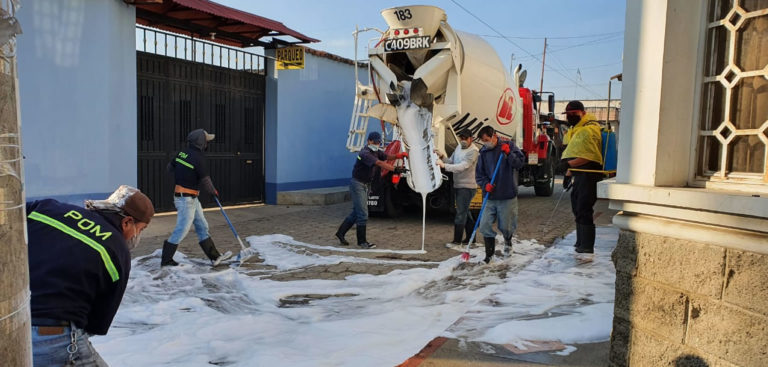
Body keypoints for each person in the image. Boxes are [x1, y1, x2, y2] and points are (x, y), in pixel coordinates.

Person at [27, 185, 154, 366]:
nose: (137, 236)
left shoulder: (48, 208)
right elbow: (96, 324)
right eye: (140, 230)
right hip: (52, 340)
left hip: (9, 320)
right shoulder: (117, 252)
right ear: (127, 222)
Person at [161, 129, 231, 267]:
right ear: (201, 142)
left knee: (202, 226)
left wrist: (184, 174)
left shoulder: (181, 153)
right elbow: (205, 180)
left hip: (190, 198)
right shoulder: (199, 158)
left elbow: (170, 168)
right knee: (182, 229)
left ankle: (214, 257)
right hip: (186, 199)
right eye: (206, 141)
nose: (207, 143)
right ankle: (166, 260)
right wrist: (213, 192)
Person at [335, 131, 407, 249]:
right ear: (369, 141)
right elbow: (379, 162)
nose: (377, 144)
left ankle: (340, 233)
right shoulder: (365, 153)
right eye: (375, 142)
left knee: (356, 212)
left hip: (366, 185)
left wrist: (398, 156)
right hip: (358, 184)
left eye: (379, 142)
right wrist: (395, 169)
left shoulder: (376, 151)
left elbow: (386, 156)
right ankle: (362, 241)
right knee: (363, 213)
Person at [557, 101, 603, 254]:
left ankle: (587, 246)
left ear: (582, 113)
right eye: (568, 114)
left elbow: (588, 156)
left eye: (573, 114)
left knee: (584, 207)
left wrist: (568, 165)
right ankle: (580, 241)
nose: (570, 117)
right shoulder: (574, 130)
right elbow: (574, 153)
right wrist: (568, 175)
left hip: (590, 174)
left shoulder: (589, 130)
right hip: (579, 174)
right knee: (576, 206)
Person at [475, 126, 525, 263]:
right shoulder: (483, 153)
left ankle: (508, 241)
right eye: (483, 141)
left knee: (506, 226)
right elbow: (479, 174)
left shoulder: (509, 146)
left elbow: (520, 164)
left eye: (487, 140)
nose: (486, 143)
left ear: (494, 136)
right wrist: (485, 184)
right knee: (484, 224)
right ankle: (489, 256)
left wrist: (509, 154)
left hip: (507, 194)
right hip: (490, 196)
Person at [436, 129, 479, 247]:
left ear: (471, 138)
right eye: (462, 138)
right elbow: (452, 161)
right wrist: (442, 156)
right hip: (458, 184)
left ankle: (457, 240)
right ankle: (471, 238)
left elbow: (463, 166)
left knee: (461, 213)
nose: (463, 141)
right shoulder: (459, 148)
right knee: (465, 212)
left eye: (466, 138)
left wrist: (444, 166)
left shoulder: (474, 151)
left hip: (467, 186)